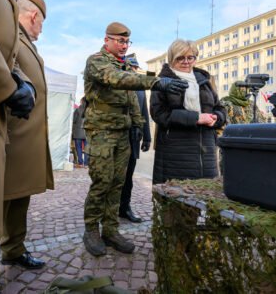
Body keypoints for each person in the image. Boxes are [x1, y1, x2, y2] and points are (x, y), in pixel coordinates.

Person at [83, 22, 188, 256]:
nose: (123, 45)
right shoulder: (97, 62)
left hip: (124, 133)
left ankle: (110, 230)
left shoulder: (126, 67)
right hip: (101, 133)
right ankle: (91, 230)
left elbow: (133, 99)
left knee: (117, 184)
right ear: (106, 40)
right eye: (119, 41)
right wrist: (157, 81)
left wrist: (141, 128)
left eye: (126, 42)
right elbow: (117, 79)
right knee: (101, 182)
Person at [0, 0, 54, 273]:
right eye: (42, 23)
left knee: (20, 199)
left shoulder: (26, 42)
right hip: (8, 137)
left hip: (24, 139)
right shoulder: (7, 34)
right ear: (34, 16)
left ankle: (13, 249)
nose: (41, 29)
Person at [0, 0, 36, 293]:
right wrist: (9, 86)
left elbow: (11, 61)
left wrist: (22, 82)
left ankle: (7, 255)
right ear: (33, 17)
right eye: (41, 23)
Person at [150, 39, 226, 185]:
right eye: (180, 58)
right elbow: (159, 114)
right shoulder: (162, 81)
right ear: (172, 58)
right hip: (176, 150)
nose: (186, 61)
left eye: (190, 57)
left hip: (206, 150)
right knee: (177, 198)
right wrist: (196, 118)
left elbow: (219, 107)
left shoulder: (205, 80)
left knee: (204, 195)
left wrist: (217, 117)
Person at [119, 56, 151, 223]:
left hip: (134, 137)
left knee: (128, 176)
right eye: (131, 68)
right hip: (117, 136)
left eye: (136, 69)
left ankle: (125, 208)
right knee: (112, 176)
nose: (133, 71)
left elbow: (144, 112)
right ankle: (107, 210)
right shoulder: (117, 81)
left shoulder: (139, 87)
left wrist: (147, 137)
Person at [72, 97, 89, 168]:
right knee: (87, 148)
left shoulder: (77, 110)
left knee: (78, 148)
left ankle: (80, 163)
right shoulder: (90, 111)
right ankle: (86, 164)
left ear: (81, 101)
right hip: (87, 133)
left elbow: (74, 120)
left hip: (78, 133)